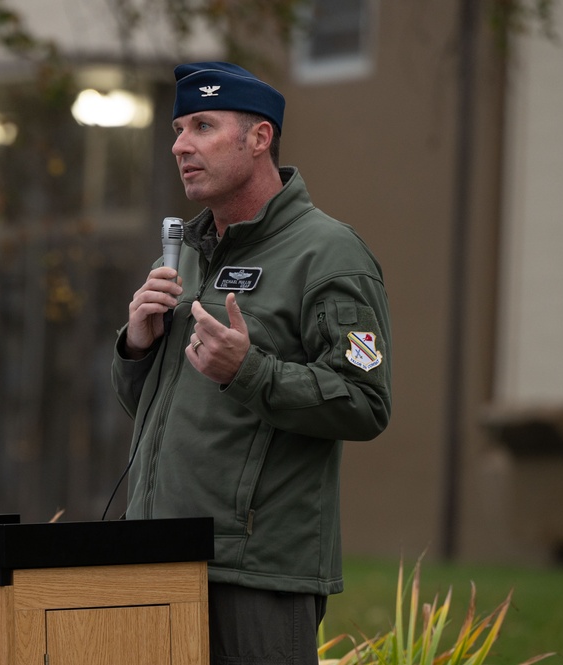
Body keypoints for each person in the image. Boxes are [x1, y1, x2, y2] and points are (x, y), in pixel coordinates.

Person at [111, 61, 392, 665]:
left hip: (256, 574)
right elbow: (162, 410)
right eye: (179, 130)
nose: (180, 146)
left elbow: (367, 404)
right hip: (158, 560)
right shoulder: (186, 253)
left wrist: (250, 370)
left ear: (259, 138)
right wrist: (137, 347)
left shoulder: (328, 253)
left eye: (203, 126)